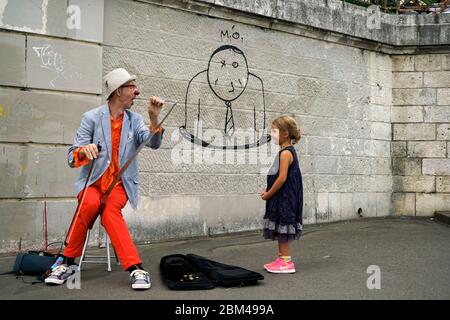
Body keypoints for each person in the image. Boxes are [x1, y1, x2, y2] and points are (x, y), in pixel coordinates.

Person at [44, 68, 165, 290]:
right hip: (93, 183)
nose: (137, 92)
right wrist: (84, 151)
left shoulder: (135, 119)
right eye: (132, 87)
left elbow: (153, 143)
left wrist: (153, 117)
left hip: (118, 185)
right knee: (89, 203)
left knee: (110, 211)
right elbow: (72, 157)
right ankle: (68, 264)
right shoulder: (91, 118)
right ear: (119, 91)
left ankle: (136, 269)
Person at [260, 115, 303, 274]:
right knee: (280, 226)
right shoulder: (284, 151)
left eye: (274, 131)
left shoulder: (285, 154)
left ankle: (286, 262)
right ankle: (281, 258)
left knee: (284, 226)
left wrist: (269, 194)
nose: (272, 134)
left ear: (285, 133)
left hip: (285, 198)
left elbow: (282, 177)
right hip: (282, 196)